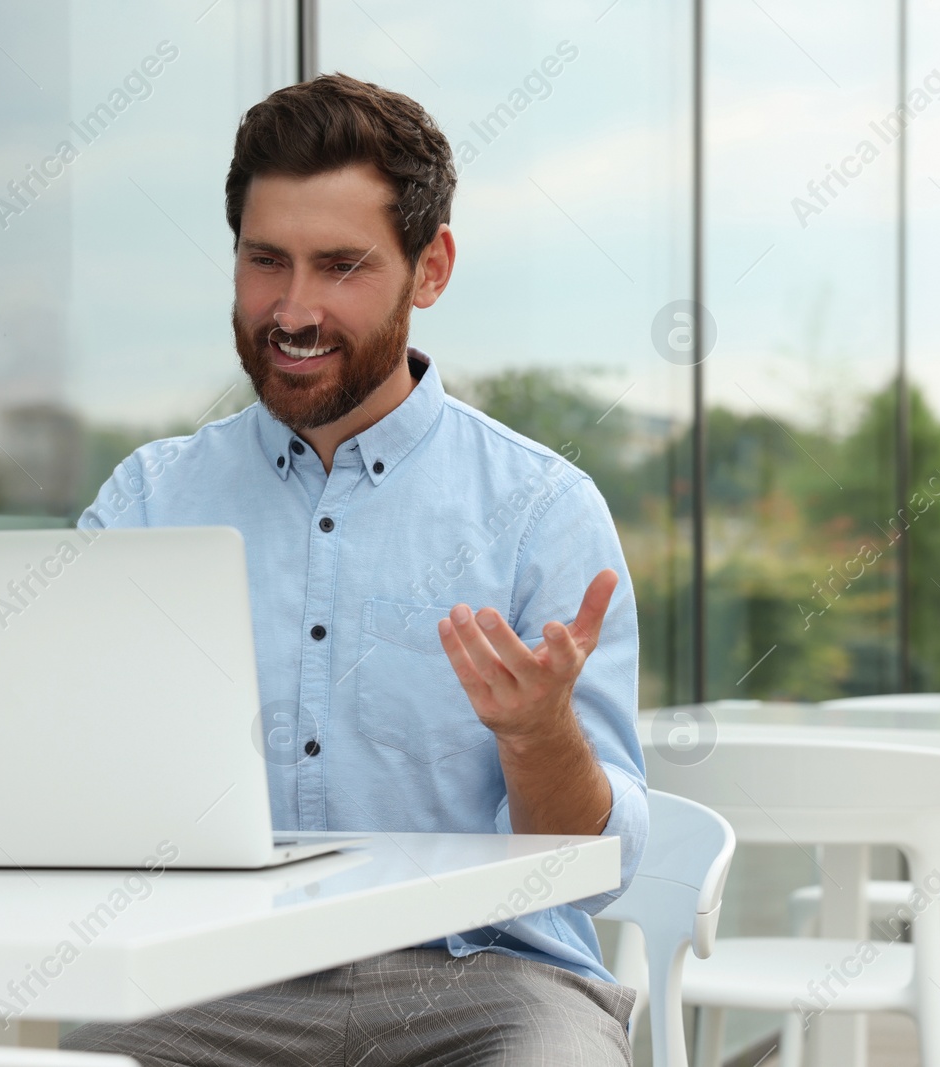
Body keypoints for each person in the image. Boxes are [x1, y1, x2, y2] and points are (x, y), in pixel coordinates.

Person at [62, 71, 647, 1067]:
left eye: (341, 266)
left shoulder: (542, 511)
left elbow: (594, 874)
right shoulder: (149, 503)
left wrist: (539, 734)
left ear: (431, 268)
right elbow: (62, 765)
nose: (293, 309)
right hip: (213, 982)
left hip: (490, 985)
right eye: (264, 262)